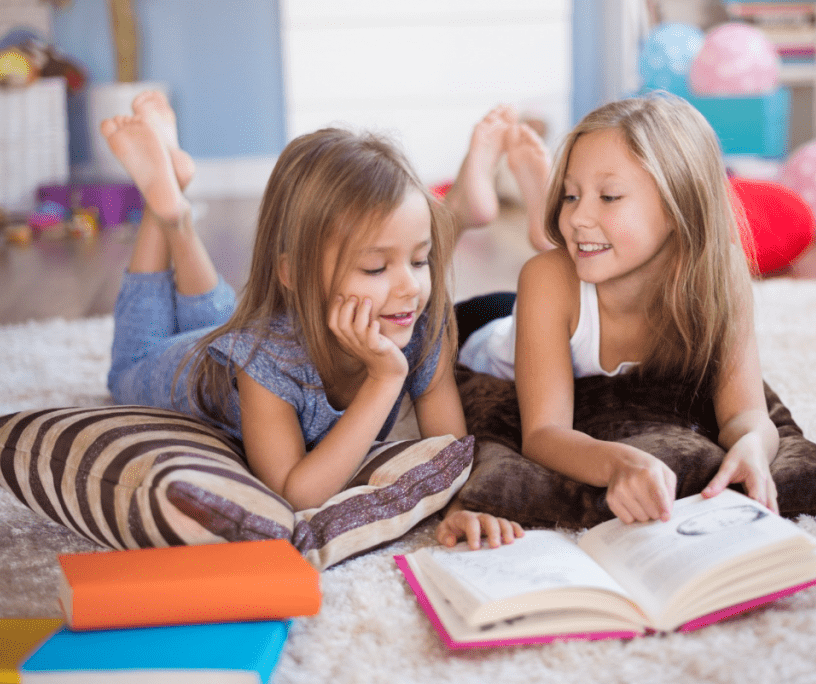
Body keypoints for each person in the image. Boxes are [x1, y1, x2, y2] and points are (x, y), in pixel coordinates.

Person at [102, 90, 523, 550]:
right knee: (132, 360)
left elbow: (448, 451)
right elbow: (294, 492)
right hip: (177, 363)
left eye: (419, 261)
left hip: (241, 327)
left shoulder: (421, 324)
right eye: (376, 268)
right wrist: (384, 381)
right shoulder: (265, 359)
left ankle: (177, 211)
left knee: (220, 314)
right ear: (293, 273)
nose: (409, 288)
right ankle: (163, 210)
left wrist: (465, 507)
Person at [458, 92, 780, 524]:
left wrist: (753, 445)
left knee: (571, 244)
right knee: (432, 324)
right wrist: (617, 463)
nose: (577, 216)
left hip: (570, 291)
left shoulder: (720, 277)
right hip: (490, 326)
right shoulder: (546, 279)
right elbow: (542, 434)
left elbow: (746, 412)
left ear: (678, 204)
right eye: (571, 197)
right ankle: (471, 201)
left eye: (609, 196)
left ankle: (542, 218)